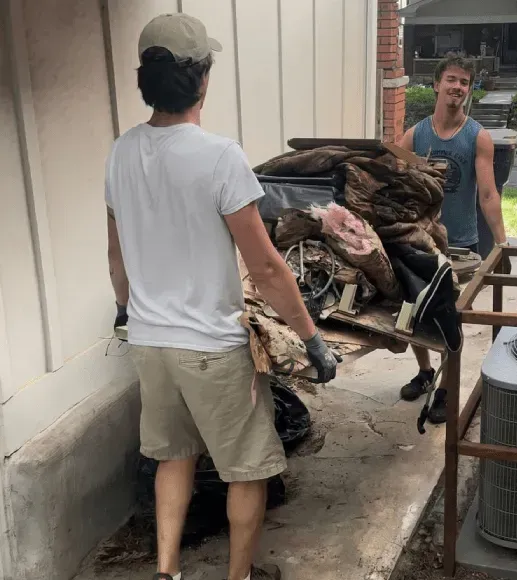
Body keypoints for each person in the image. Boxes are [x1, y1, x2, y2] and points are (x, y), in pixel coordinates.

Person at [105, 13, 339, 580]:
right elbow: (265, 266)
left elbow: (116, 258)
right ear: (201, 80)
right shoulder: (219, 157)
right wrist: (312, 338)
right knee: (246, 470)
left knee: (172, 457)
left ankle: (166, 571)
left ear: (146, 81)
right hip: (211, 346)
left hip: (150, 342)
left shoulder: (120, 152)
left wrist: (125, 311)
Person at [397, 56, 510, 424]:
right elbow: (396, 180)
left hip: (461, 244)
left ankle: (445, 390)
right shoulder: (416, 135)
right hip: (421, 241)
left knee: (449, 320)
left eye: (464, 82)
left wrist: (502, 244)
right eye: (451, 79)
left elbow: (489, 194)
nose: (457, 87)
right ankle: (425, 372)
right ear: (436, 84)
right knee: (413, 312)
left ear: (468, 90)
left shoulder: (477, 136)